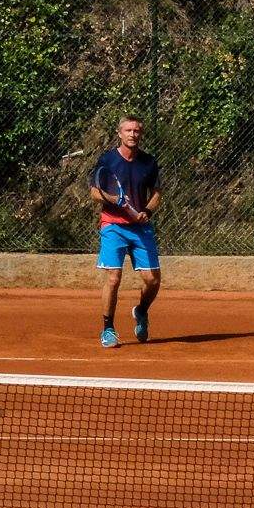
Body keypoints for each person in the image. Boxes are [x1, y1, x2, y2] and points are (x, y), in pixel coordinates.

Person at [91, 115, 163, 348]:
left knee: (152, 280)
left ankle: (141, 311)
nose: (133, 134)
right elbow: (95, 192)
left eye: (137, 131)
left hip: (141, 228)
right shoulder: (108, 160)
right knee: (114, 278)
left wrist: (148, 212)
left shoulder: (149, 162)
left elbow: (156, 194)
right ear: (119, 133)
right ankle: (108, 328)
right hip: (113, 225)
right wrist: (114, 199)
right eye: (128, 130)